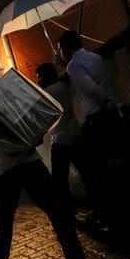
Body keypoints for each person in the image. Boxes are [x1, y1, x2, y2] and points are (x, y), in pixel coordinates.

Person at [0, 49, 115, 259]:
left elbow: (31, 113)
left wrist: (34, 133)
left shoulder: (10, 85)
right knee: (6, 218)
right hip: (4, 167)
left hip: (29, 159)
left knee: (61, 214)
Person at [57, 30, 130, 227]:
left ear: (66, 48)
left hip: (97, 119)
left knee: (99, 169)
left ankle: (106, 214)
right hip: (112, 114)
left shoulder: (73, 66)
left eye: (61, 49)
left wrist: (112, 102)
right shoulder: (95, 57)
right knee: (120, 160)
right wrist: (115, 104)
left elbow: (92, 88)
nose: (61, 54)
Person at [35, 63, 96, 215]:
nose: (38, 81)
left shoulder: (48, 92)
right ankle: (98, 206)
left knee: (59, 180)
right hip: (75, 134)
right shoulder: (62, 86)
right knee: (87, 173)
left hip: (61, 141)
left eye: (39, 77)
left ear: (46, 76)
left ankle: (67, 210)